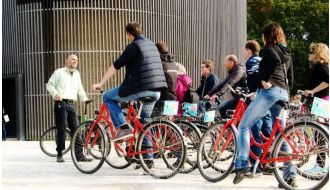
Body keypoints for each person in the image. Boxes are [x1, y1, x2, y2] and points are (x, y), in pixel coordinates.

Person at [233, 22, 296, 187]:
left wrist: (264, 80)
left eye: (263, 35)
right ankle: (289, 177)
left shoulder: (269, 49)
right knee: (281, 135)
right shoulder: (286, 51)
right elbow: (291, 77)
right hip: (283, 93)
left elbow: (274, 61)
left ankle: (242, 164)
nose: (262, 39)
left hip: (270, 91)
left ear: (268, 36)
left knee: (244, 126)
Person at [92, 22, 167, 143]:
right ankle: (148, 159)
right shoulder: (152, 45)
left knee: (107, 97)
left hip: (141, 88)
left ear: (128, 34)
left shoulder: (134, 45)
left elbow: (115, 66)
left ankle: (123, 127)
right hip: (157, 90)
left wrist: (100, 84)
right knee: (144, 123)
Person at [46, 54, 91, 163]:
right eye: (72, 59)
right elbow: (50, 85)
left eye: (76, 60)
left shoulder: (77, 74)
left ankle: (79, 155)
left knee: (76, 129)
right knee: (61, 129)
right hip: (61, 103)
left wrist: (84, 98)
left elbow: (80, 88)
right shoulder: (59, 72)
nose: (75, 61)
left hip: (72, 105)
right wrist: (55, 94)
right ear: (67, 61)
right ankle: (60, 154)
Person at [243, 40, 272, 177]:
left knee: (254, 130)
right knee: (267, 132)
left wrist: (251, 92)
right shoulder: (262, 59)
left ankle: (256, 166)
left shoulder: (250, 62)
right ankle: (268, 163)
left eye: (244, 50)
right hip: (269, 98)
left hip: (257, 99)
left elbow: (252, 80)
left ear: (248, 50)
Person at [303, 43, 329, 175]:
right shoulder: (321, 66)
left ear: (317, 53)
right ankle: (321, 166)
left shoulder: (320, 66)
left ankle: (320, 166)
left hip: (322, 101)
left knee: (320, 136)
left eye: (311, 52)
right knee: (322, 135)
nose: (309, 54)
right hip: (322, 100)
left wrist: (312, 91)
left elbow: (328, 80)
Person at [205, 55, 247, 119]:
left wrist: (218, 95)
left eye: (225, 61)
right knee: (222, 108)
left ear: (231, 62)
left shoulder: (238, 71)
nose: (224, 63)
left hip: (244, 99)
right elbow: (222, 84)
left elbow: (229, 83)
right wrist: (210, 94)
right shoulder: (233, 71)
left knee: (243, 117)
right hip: (238, 98)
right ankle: (230, 127)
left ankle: (234, 127)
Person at [151, 41, 177, 116]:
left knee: (147, 120)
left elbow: (154, 81)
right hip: (173, 99)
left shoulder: (159, 63)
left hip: (163, 99)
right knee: (167, 126)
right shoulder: (173, 63)